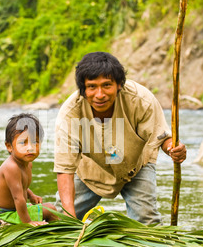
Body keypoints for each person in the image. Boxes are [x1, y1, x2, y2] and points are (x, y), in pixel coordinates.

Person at [54, 52, 187, 224]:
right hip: (90, 169)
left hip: (136, 164)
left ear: (119, 85)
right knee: (60, 220)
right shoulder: (70, 114)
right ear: (83, 89)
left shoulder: (141, 100)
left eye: (107, 85)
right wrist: (68, 223)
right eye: (92, 87)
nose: (100, 94)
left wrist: (173, 149)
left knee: (147, 223)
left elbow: (161, 137)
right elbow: (65, 168)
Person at [0, 113, 57, 226]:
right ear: (9, 146)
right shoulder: (11, 167)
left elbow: (20, 186)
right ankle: (58, 235)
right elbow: (18, 198)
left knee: (46, 207)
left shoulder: (27, 164)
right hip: (4, 213)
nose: (30, 147)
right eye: (23, 142)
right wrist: (28, 222)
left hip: (13, 208)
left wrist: (31, 195)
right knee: (51, 209)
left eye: (35, 142)